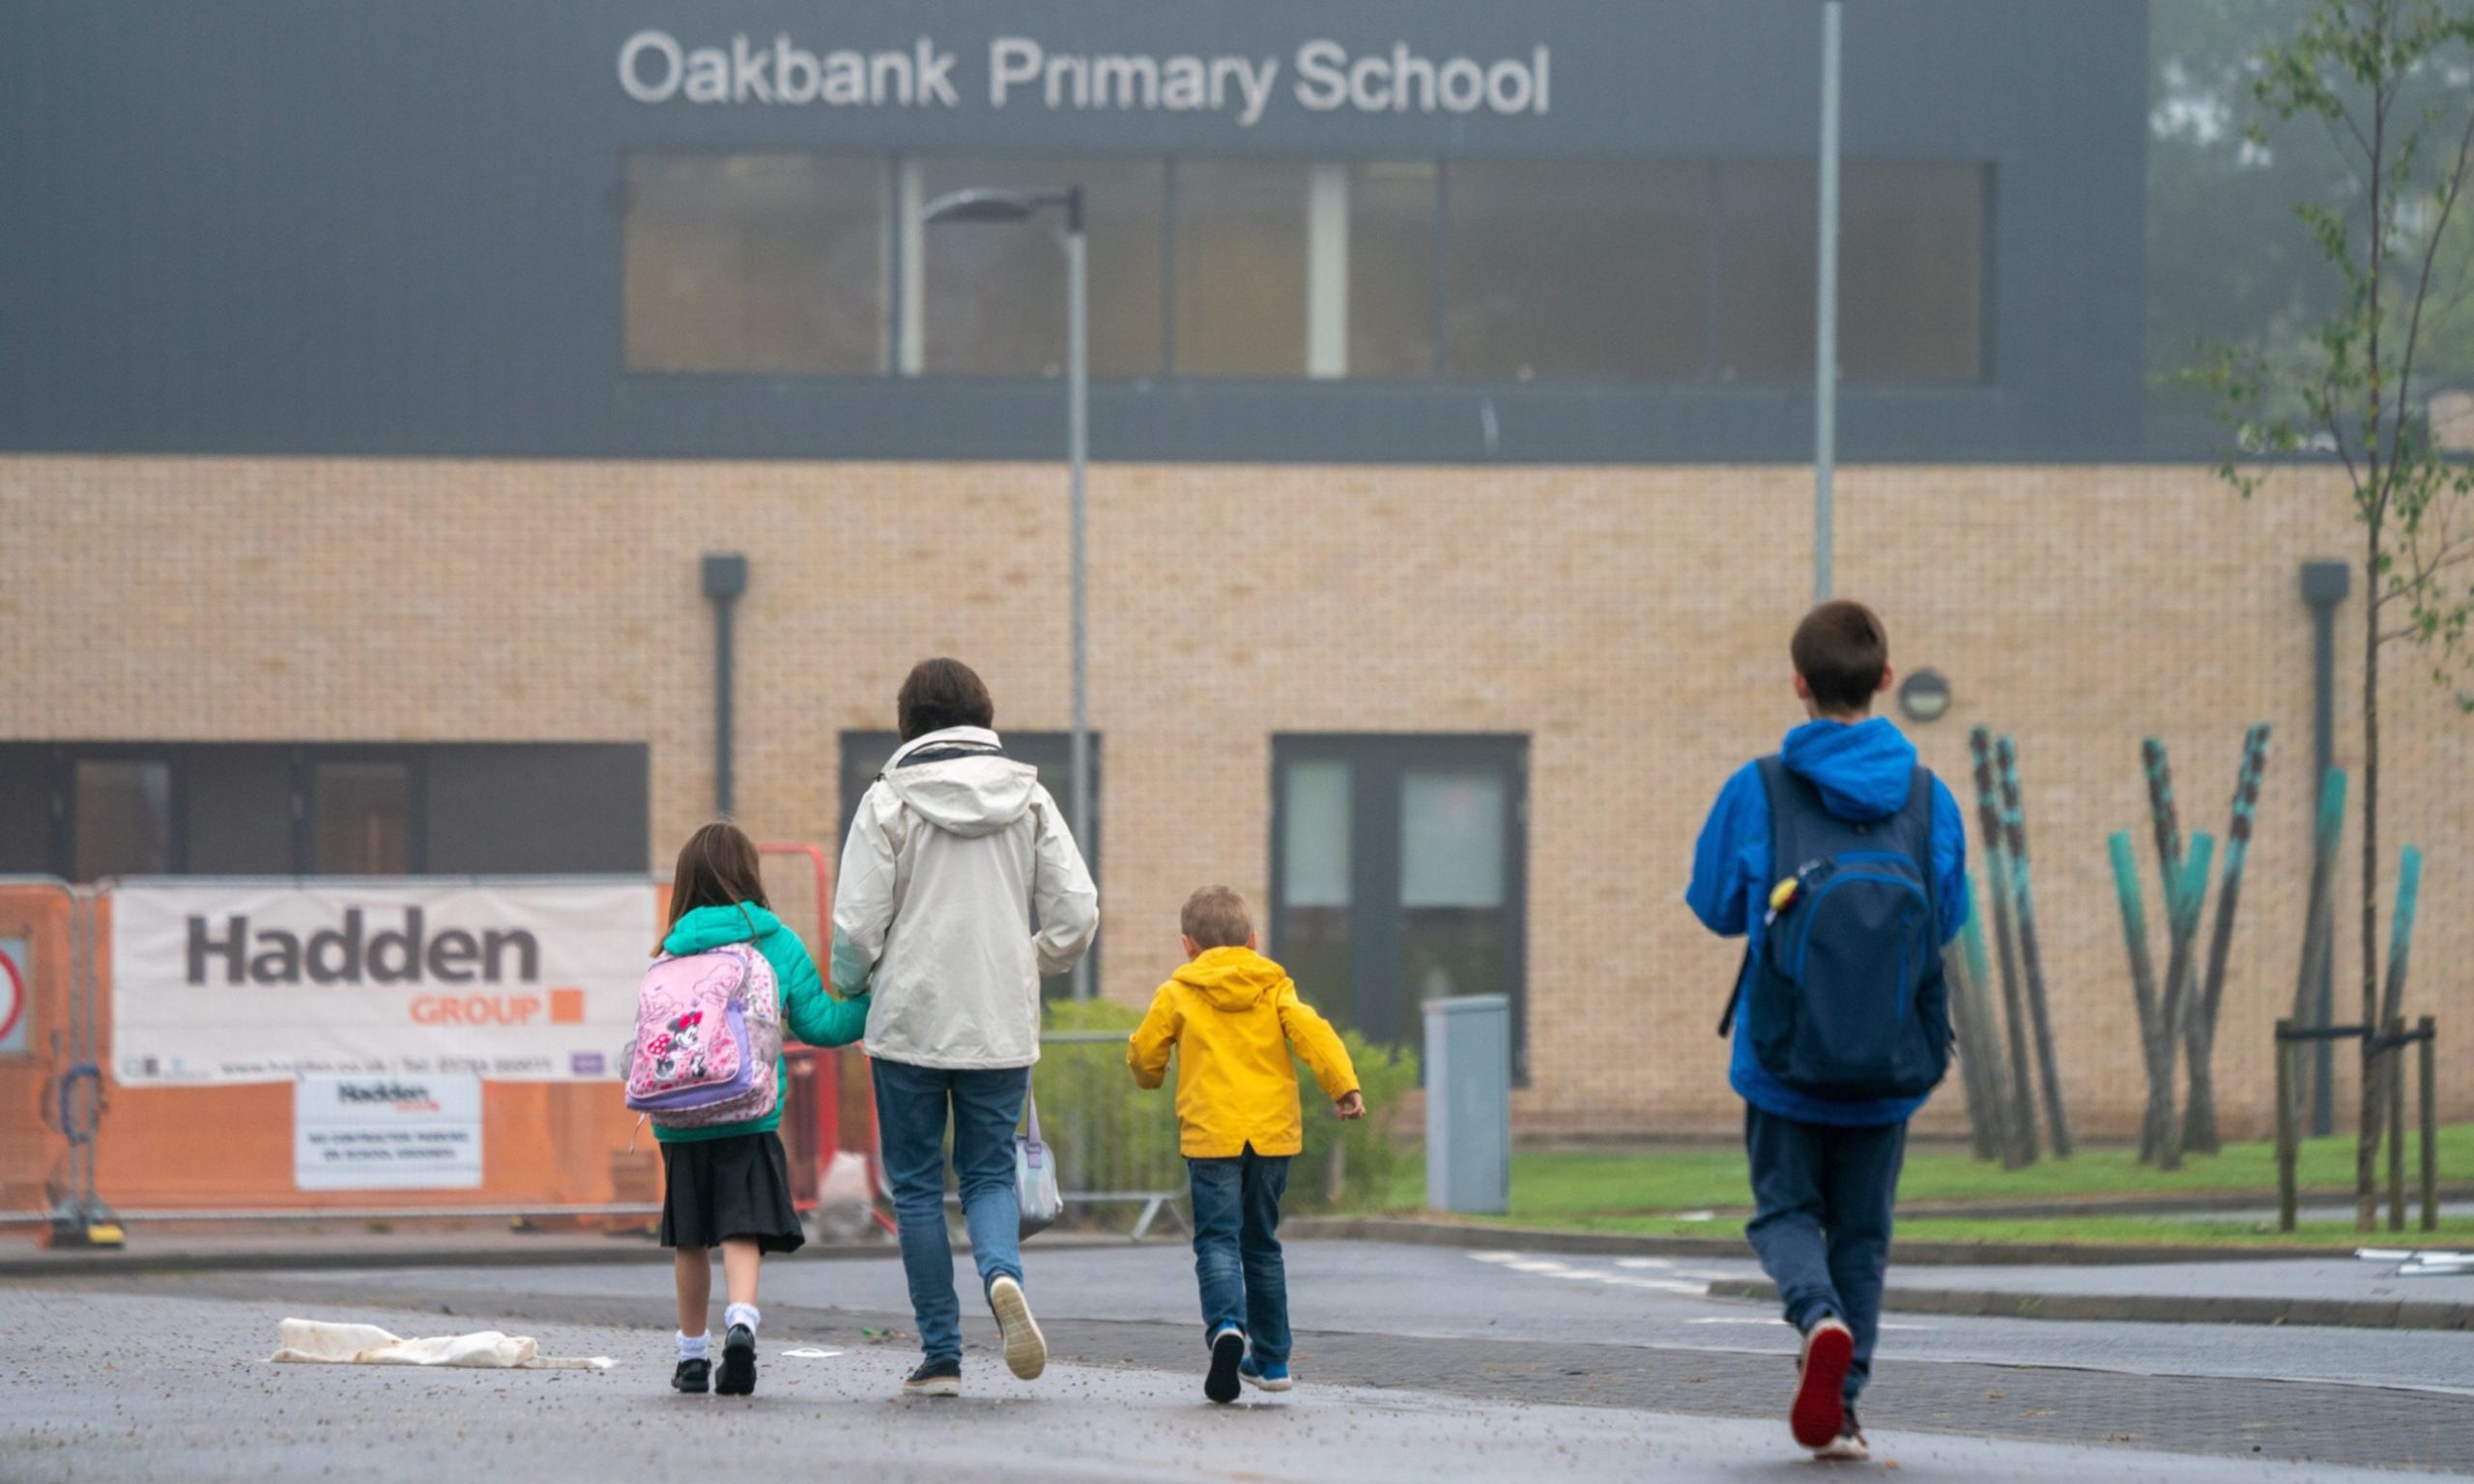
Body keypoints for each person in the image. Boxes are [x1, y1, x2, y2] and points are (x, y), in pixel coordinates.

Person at [1684, 600, 1966, 1462]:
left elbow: (1716, 907)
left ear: (1799, 684)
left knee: (1783, 1214)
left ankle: (1816, 1317)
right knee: (1864, 1236)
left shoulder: (1760, 787)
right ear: (1885, 679)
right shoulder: (1927, 794)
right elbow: (1946, 917)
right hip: (1889, 1062)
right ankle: (1843, 1411)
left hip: (1784, 1057)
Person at [831, 658, 1099, 1398]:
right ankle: (1003, 1276)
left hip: (909, 1019)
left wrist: (856, 985)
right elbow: (1077, 915)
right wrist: (1027, 960)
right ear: (982, 711)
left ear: (908, 719)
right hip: (998, 1020)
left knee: (916, 1187)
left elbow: (855, 926)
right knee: (986, 1173)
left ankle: (941, 1357)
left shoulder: (887, 800)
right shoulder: (1031, 796)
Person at [652, 819, 871, 1398]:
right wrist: (877, 1004)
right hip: (749, 1111)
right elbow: (822, 1024)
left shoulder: (671, 947)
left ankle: (691, 1356)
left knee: (691, 1236)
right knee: (741, 1228)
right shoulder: (776, 942)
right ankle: (742, 1326)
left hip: (679, 1118)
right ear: (751, 872)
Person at [1127, 886, 1363, 1404]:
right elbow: (1313, 1033)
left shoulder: (1178, 992)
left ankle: (1226, 1328)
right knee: (1262, 1242)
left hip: (1212, 1136)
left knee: (1217, 1240)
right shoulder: (1275, 986)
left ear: (1188, 945)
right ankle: (1274, 1359)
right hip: (1273, 1136)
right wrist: (1344, 1085)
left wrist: (1150, 1076)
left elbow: (1146, 1051)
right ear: (1253, 942)